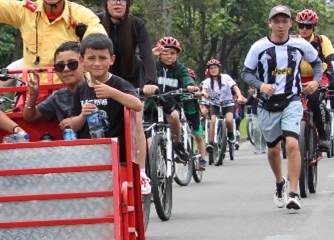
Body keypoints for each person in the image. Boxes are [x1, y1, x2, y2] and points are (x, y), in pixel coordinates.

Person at [241, 5, 322, 212]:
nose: (280, 25)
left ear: (290, 24)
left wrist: (316, 82)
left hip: (292, 100)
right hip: (267, 103)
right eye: (276, 21)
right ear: (270, 23)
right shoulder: (258, 47)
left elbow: (317, 64)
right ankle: (280, 183)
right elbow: (246, 73)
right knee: (273, 149)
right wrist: (260, 85)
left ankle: (293, 193)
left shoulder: (299, 44)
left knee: (293, 144)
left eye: (284, 21)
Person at [66, 33, 144, 165]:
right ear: (82, 60)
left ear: (112, 60)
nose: (97, 63)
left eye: (103, 58)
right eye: (91, 58)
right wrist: (83, 115)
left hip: (118, 154)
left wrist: (113, 93)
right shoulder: (80, 88)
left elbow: (137, 105)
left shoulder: (118, 84)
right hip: (88, 155)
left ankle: (142, 173)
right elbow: (73, 125)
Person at [293, 9, 334, 152]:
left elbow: (332, 60)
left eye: (308, 26)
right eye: (301, 26)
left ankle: (323, 136)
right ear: (297, 26)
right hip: (296, 78)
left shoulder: (321, 40)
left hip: (318, 77)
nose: (304, 29)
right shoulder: (290, 40)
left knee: (315, 98)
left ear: (313, 27)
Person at [96, 0, 158, 95]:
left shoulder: (137, 24)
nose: (118, 3)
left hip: (131, 77)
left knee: (136, 108)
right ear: (106, 2)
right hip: (103, 76)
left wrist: (151, 81)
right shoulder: (95, 20)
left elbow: (147, 54)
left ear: (128, 4)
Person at [151, 36, 206, 165]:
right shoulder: (152, 65)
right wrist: (150, 54)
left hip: (171, 102)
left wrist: (190, 86)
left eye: (173, 53)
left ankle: (177, 145)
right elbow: (135, 63)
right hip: (151, 103)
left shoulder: (179, 68)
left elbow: (186, 77)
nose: (169, 56)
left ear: (177, 55)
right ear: (159, 53)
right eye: (165, 52)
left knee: (175, 116)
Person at [23, 40, 83, 133]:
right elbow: (30, 116)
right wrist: (33, 96)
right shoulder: (58, 97)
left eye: (72, 64)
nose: (66, 69)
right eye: (60, 66)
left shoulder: (97, 89)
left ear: (84, 63)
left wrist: (75, 121)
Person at [200, 58, 245, 154]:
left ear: (219, 69)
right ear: (209, 70)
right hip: (215, 104)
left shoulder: (226, 77)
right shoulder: (207, 81)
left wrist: (239, 96)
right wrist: (204, 93)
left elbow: (235, 87)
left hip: (228, 103)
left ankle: (231, 135)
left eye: (215, 68)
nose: (213, 70)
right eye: (211, 68)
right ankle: (211, 143)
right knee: (213, 121)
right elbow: (204, 89)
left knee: (229, 120)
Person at [245, 86, 267, 153]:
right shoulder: (252, 92)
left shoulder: (266, 91)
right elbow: (247, 102)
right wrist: (252, 96)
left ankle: (263, 147)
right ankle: (257, 147)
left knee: (264, 130)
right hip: (255, 114)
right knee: (256, 128)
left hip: (264, 113)